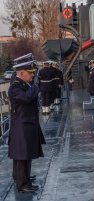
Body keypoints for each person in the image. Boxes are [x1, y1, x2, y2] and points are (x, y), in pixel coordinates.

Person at [8, 61, 45, 193]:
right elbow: (26, 98)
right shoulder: (15, 87)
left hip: (27, 125)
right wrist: (35, 87)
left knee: (25, 155)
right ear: (22, 74)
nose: (32, 76)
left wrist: (32, 86)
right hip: (21, 126)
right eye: (30, 74)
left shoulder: (24, 84)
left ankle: (24, 179)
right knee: (22, 155)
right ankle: (22, 184)